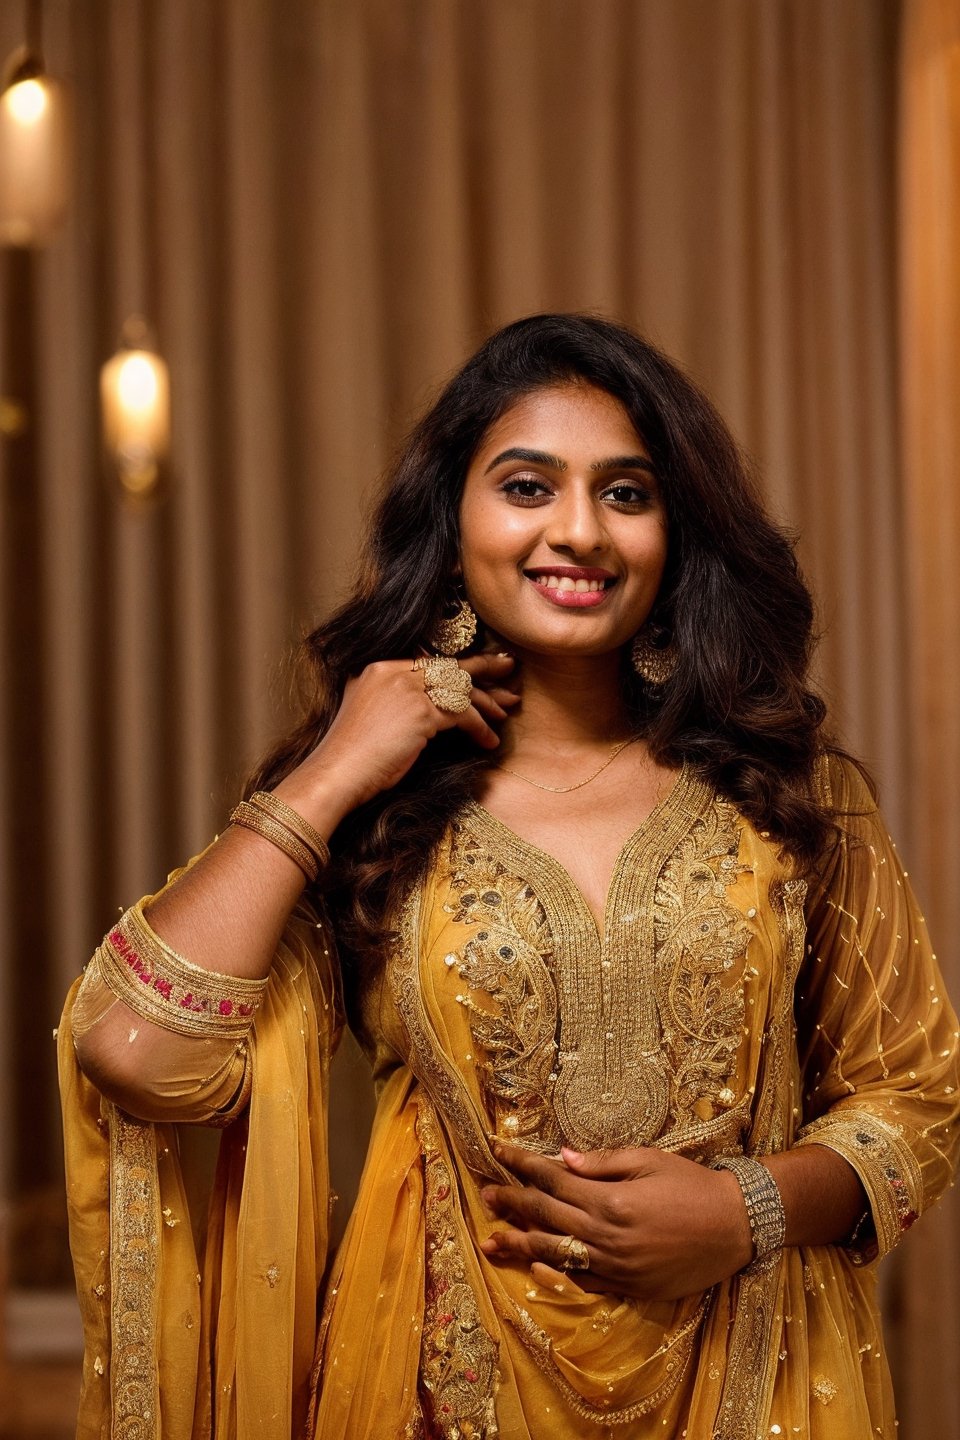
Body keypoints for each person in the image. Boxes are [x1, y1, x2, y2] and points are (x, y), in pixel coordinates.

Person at [59, 314, 960, 1440]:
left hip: (760, 1378)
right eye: (528, 487)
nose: (579, 531)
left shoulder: (787, 789)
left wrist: (749, 1210)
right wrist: (333, 768)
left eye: (627, 494)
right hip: (436, 1390)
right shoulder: (382, 807)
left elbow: (916, 1098)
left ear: (677, 533)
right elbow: (137, 1053)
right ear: (455, 523)